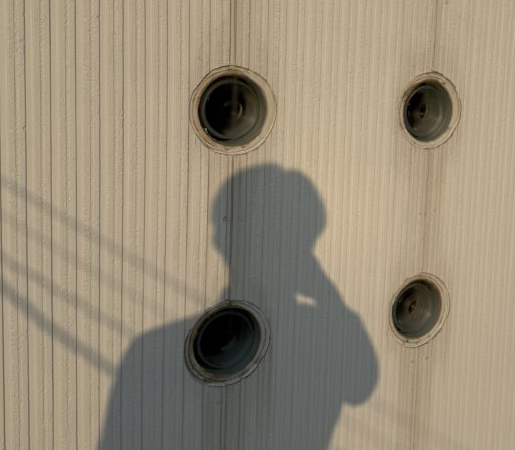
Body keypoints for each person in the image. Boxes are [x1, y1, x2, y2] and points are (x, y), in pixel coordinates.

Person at [99, 164, 377, 449]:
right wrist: (323, 289)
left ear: (219, 240)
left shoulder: (150, 344)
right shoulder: (320, 327)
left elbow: (361, 388)